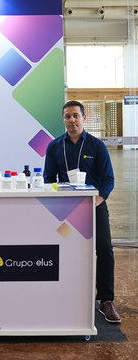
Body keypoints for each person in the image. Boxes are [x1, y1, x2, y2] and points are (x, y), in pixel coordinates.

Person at [43, 100, 120, 323]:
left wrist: (99, 199)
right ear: (63, 120)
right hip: (67, 208)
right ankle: (65, 295)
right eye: (67, 116)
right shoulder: (54, 147)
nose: (72, 120)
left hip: (94, 205)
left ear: (84, 118)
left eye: (76, 116)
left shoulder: (97, 146)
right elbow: (48, 179)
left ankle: (105, 300)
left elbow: (108, 179)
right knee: (64, 250)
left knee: (104, 249)